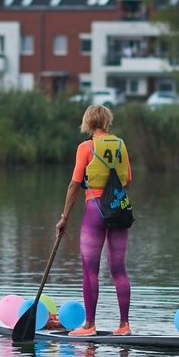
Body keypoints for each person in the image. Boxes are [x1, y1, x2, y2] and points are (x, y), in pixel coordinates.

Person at [55, 105, 132, 336]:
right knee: (119, 269)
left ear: (88, 123)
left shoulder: (85, 147)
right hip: (119, 210)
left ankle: (89, 325)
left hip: (95, 211)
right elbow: (127, 180)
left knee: (91, 270)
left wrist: (64, 217)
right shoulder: (120, 144)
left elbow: (75, 184)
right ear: (107, 121)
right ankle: (124, 325)